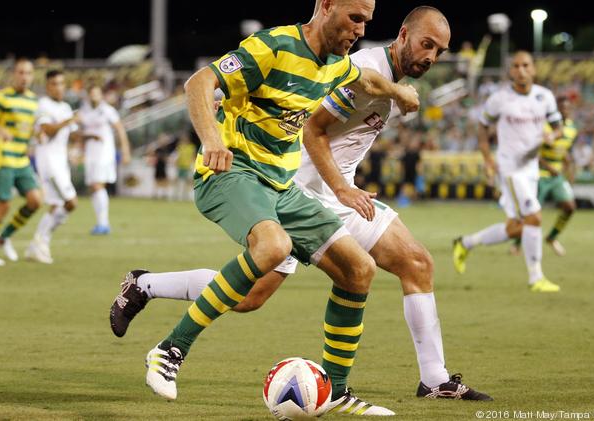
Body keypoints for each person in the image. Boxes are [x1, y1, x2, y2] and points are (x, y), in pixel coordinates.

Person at [110, 5, 491, 406]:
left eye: (365, 21)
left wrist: (399, 92)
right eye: (355, 18)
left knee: (349, 272)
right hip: (270, 178)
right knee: (273, 254)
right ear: (326, 6)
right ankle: (170, 348)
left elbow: (367, 79)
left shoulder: (338, 62)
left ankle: (341, 391)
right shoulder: (277, 45)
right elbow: (215, 89)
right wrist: (213, 138)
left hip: (285, 184)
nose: (361, 30)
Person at [453, 51, 563, 293]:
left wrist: (552, 136)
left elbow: (558, 127)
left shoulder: (545, 97)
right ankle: (536, 278)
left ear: (533, 68)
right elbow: (482, 127)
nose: (521, 70)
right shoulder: (499, 99)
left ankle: (465, 243)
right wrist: (487, 158)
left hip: (531, 168)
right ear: (510, 71)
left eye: (526, 65)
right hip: (510, 169)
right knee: (534, 216)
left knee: (517, 227)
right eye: (516, 66)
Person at [0, 58, 42, 266]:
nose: (24, 77)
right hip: (2, 157)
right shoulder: (1, 98)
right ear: (14, 74)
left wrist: (37, 136)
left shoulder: (33, 101)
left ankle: (3, 237)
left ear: (32, 76)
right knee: (4, 204)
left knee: (35, 201)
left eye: (28, 73)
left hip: (21, 159)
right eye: (21, 72)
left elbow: (28, 128)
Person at [510, 95, 578, 256]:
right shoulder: (544, 128)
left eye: (568, 108)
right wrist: (548, 167)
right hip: (539, 174)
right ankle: (517, 243)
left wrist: (569, 169)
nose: (565, 111)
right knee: (532, 212)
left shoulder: (572, 129)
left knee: (569, 207)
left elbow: (564, 151)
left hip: (556, 176)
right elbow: (533, 153)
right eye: (562, 108)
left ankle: (552, 237)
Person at [25, 69, 80, 264]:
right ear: (48, 86)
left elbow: (71, 133)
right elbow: (47, 130)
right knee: (70, 202)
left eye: (62, 83)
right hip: (49, 162)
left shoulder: (65, 106)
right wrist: (67, 121)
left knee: (58, 204)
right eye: (55, 84)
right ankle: (39, 242)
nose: (59, 87)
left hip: (60, 162)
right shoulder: (43, 105)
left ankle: (38, 245)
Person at [77, 85, 130, 235]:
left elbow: (119, 129)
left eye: (97, 93)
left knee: (97, 185)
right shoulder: (84, 111)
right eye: (91, 93)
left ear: (101, 95)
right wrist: (79, 151)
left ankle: (104, 224)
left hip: (104, 153)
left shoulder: (107, 110)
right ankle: (101, 222)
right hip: (90, 154)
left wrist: (125, 151)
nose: (94, 96)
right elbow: (81, 133)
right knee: (93, 187)